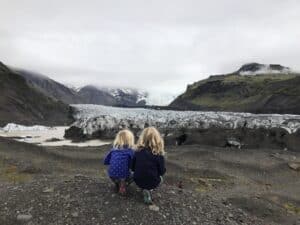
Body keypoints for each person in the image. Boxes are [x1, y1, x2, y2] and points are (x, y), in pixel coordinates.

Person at [132, 127, 166, 204]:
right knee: (161, 179)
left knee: (137, 174)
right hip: (153, 182)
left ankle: (144, 188)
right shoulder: (159, 154)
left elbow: (132, 168)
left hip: (138, 180)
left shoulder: (137, 152)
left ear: (142, 139)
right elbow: (162, 172)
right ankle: (149, 190)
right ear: (157, 139)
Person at [103, 129, 135, 195]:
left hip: (112, 175)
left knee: (112, 171)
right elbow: (132, 165)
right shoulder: (130, 151)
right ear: (130, 140)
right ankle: (123, 184)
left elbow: (105, 161)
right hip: (124, 175)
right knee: (134, 174)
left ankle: (117, 183)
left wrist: (115, 160)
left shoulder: (113, 150)